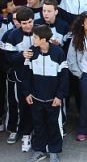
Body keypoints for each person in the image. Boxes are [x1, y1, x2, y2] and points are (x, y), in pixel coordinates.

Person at [21, 24, 68, 162]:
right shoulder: (31, 51)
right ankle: (39, 150)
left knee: (53, 125)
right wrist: (27, 93)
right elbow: (26, 74)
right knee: (38, 124)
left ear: (44, 39)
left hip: (53, 99)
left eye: (35, 37)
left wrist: (60, 96)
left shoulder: (58, 53)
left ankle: (54, 151)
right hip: (36, 98)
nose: (33, 39)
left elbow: (64, 77)